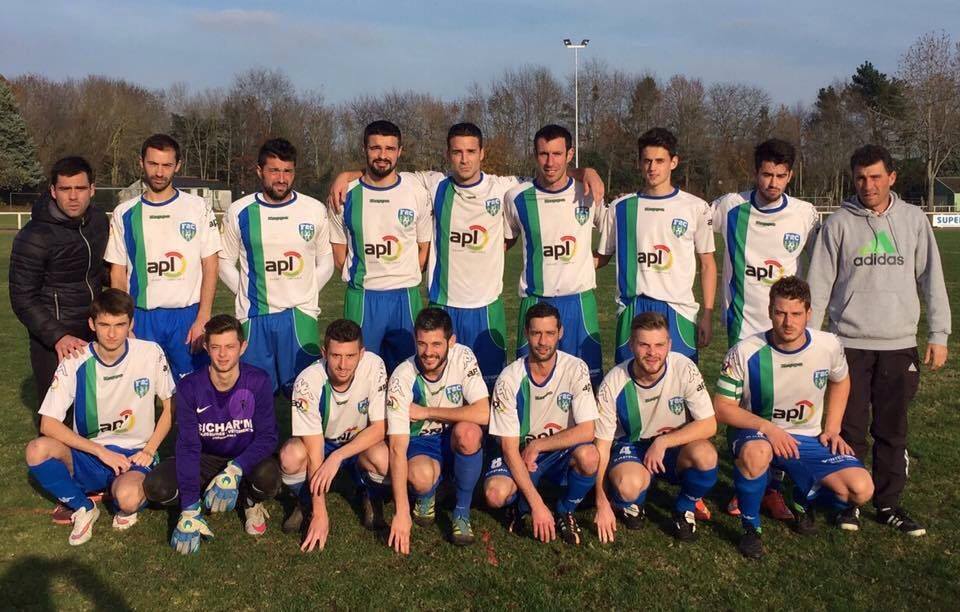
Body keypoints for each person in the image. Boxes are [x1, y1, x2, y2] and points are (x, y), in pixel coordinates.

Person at [327, 122, 605, 390]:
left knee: (493, 387)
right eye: (457, 152)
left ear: (482, 153)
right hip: (444, 305)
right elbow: (383, 168)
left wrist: (587, 171)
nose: (464, 159)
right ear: (448, 154)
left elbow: (551, 173)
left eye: (471, 151)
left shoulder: (504, 188)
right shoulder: (433, 185)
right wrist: (346, 175)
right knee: (435, 385)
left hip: (487, 307)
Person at [808, 144, 950, 536]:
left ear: (891, 177)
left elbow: (932, 279)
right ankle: (848, 502)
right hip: (848, 345)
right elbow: (818, 285)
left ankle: (889, 504)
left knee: (891, 430)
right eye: (860, 178)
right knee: (848, 430)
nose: (867, 185)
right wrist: (813, 343)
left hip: (898, 344)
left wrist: (938, 333)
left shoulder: (913, 220)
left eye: (875, 177)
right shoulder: (838, 223)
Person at [714, 276, 874, 559]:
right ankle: (751, 528)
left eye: (796, 314)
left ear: (809, 313)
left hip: (806, 438)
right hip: (758, 434)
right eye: (780, 313)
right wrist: (768, 428)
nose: (788, 322)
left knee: (859, 490)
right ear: (769, 312)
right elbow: (722, 406)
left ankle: (802, 497)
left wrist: (832, 428)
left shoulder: (828, 345)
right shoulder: (745, 351)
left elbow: (841, 380)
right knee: (757, 453)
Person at [711, 139, 820, 521]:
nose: (772, 182)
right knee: (743, 408)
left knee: (783, 407)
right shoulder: (730, 207)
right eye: (766, 174)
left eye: (780, 176)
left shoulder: (805, 215)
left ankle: (773, 487)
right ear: (755, 172)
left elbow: (821, 264)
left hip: (789, 329)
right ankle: (746, 484)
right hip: (745, 326)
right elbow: (688, 221)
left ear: (791, 175)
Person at [24, 289, 174, 545]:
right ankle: (84, 507)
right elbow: (48, 424)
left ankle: (120, 490)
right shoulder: (75, 359)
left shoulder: (150, 352)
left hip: (133, 454)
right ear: (92, 324)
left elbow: (170, 407)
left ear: (131, 324)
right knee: (36, 450)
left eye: (120, 325)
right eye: (104, 325)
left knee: (127, 500)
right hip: (89, 454)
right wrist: (100, 452)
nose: (112, 333)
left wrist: (149, 449)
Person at [143, 315, 280, 555]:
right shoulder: (189, 387)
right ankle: (196, 505)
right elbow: (188, 446)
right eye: (216, 347)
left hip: (243, 457)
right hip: (205, 459)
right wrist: (188, 508)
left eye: (230, 347)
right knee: (157, 487)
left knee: (269, 477)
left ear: (243, 347)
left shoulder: (258, 381)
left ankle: (248, 499)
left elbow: (268, 437)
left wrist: (236, 469)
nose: (223, 355)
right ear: (206, 347)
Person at [219, 138, 333, 394]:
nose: (281, 178)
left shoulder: (313, 210)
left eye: (287, 171)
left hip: (299, 315)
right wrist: (245, 291)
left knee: (305, 393)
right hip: (254, 316)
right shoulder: (239, 211)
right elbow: (224, 261)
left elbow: (326, 260)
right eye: (274, 171)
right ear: (259, 171)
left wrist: (307, 294)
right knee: (253, 396)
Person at [593, 312, 718, 543]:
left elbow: (709, 424)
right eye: (644, 345)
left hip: (672, 446)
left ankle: (684, 508)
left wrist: (663, 441)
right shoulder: (613, 382)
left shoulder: (684, 367)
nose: (652, 353)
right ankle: (634, 503)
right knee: (628, 486)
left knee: (706, 455)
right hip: (633, 448)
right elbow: (601, 446)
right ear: (631, 345)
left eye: (659, 345)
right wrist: (601, 500)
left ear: (669, 345)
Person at [105, 134, 221, 379]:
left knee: (192, 387)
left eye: (167, 165)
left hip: (187, 316)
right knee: (142, 386)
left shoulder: (197, 207)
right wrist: (123, 320)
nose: (159, 172)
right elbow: (118, 272)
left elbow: (210, 265)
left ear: (177, 166)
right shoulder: (124, 213)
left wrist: (203, 316)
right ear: (141, 163)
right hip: (141, 316)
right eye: (153, 164)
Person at [597, 127, 716, 365]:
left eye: (659, 161)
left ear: (674, 162)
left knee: (680, 382)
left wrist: (707, 314)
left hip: (678, 310)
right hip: (633, 307)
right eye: (647, 161)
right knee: (630, 381)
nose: (652, 167)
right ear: (639, 163)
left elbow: (708, 264)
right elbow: (601, 257)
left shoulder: (695, 207)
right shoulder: (621, 208)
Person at [483, 303, 600, 546]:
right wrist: (538, 505)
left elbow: (587, 430)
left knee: (590, 456)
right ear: (526, 333)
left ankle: (565, 510)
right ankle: (520, 506)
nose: (543, 341)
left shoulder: (576, 368)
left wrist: (539, 445)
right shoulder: (509, 378)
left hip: (557, 451)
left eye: (549, 333)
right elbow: (508, 449)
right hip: (519, 452)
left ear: (560, 333)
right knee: (495, 494)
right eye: (536, 333)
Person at [503, 124, 604, 387]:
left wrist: (590, 264)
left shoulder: (587, 193)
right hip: (535, 300)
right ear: (535, 155)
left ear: (570, 154)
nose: (550, 162)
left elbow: (611, 240)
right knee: (528, 383)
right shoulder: (515, 198)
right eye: (544, 154)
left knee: (586, 383)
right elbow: (504, 241)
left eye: (557, 154)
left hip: (579, 302)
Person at [328, 120, 432, 374]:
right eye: (375, 148)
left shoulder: (416, 191)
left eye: (389, 148)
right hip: (363, 298)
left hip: (405, 297)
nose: (382, 155)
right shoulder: (344, 194)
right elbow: (339, 254)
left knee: (408, 373)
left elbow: (424, 248)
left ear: (400, 151)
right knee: (359, 374)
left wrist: (400, 275)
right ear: (364, 149)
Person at [10, 156, 109, 420]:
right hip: (55, 341)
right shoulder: (33, 236)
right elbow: (22, 297)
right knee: (57, 419)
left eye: (80, 188)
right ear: (53, 191)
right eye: (65, 189)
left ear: (92, 189)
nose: (73, 197)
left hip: (95, 331)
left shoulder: (99, 222)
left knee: (96, 413)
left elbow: (98, 271)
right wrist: (58, 336)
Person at [279, 319, 390, 552]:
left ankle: (369, 494)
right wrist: (320, 512)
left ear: (362, 354)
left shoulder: (374, 365)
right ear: (324, 353)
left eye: (350, 356)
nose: (343, 364)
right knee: (290, 456)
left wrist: (337, 457)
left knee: (383, 457)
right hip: (323, 443)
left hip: (358, 444)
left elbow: (380, 428)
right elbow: (314, 448)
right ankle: (306, 502)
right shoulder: (308, 381)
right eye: (336, 355)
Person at [386, 308, 489, 553]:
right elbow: (396, 448)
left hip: (453, 437)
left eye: (436, 344)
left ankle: (461, 512)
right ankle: (429, 492)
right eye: (422, 344)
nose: (428, 352)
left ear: (451, 342)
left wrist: (427, 412)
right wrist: (401, 511)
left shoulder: (463, 357)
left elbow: (483, 413)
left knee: (469, 433)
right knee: (421, 478)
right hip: (421, 444)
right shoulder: (402, 377)